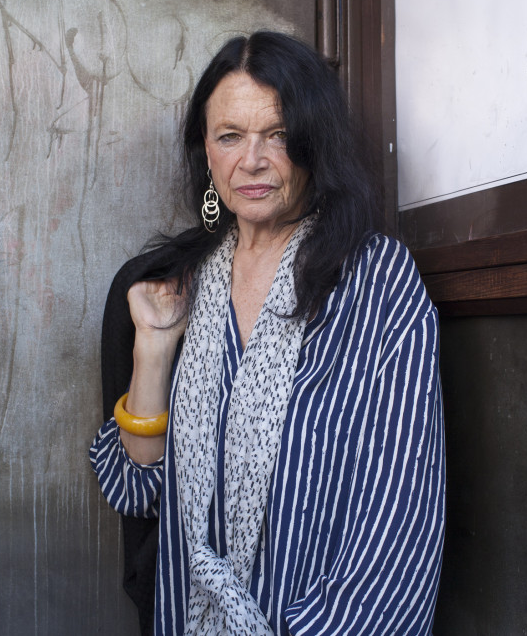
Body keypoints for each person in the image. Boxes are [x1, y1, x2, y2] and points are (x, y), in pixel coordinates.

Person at [91, 31, 445, 636]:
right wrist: (153, 351)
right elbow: (133, 491)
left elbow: (400, 518)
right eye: (229, 136)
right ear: (206, 150)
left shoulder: (376, 282)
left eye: (277, 135)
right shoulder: (166, 284)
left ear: (314, 144)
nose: (251, 161)